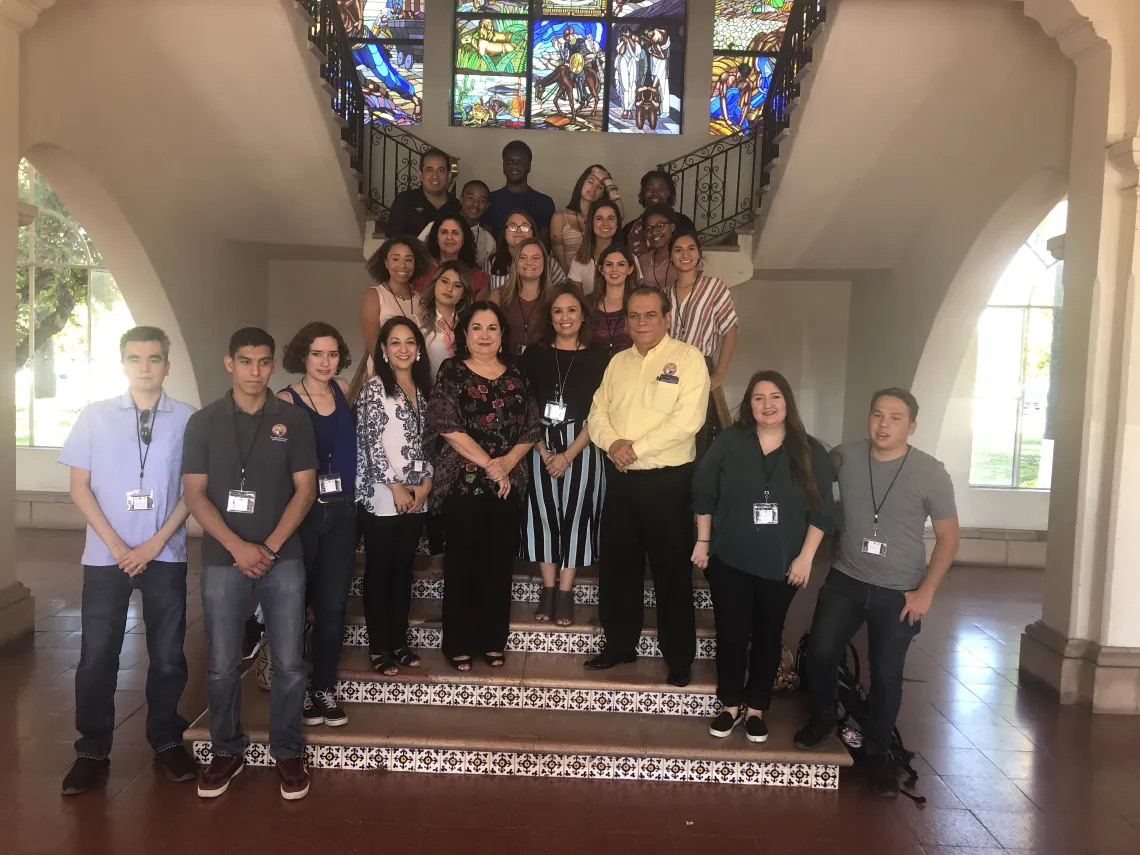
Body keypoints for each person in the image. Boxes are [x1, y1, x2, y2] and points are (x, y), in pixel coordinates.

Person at [795, 388, 959, 798]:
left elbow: (949, 539)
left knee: (887, 672)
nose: (884, 424)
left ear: (912, 426)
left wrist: (925, 593)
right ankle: (823, 720)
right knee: (820, 651)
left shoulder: (931, 472)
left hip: (900, 591)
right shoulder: (845, 457)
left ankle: (878, 750)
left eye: (895, 417)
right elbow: (807, 473)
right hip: (847, 579)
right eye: (877, 415)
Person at [58, 327, 197, 795]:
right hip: (105, 557)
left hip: (164, 554)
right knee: (97, 655)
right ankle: (92, 749)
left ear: (167, 365)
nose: (144, 367)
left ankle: (166, 738)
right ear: (122, 364)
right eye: (135, 358)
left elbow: (191, 493)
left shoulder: (186, 419)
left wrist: (155, 544)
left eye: (154, 359)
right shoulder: (95, 416)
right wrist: (119, 548)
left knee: (168, 655)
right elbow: (80, 487)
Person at [183, 327, 317, 801]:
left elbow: (306, 489)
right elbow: (194, 495)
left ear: (274, 364)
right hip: (223, 558)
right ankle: (226, 749)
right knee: (221, 663)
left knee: (289, 662)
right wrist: (239, 547)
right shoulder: (203, 422)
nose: (255, 371)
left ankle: (286, 748)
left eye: (264, 362)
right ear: (229, 363)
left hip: (284, 559)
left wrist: (271, 547)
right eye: (246, 361)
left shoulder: (294, 420)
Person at [691, 371, 835, 744]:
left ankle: (756, 708)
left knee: (769, 634)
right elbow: (704, 493)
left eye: (775, 397)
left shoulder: (810, 450)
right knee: (732, 633)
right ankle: (729, 705)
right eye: (758, 398)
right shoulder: (729, 441)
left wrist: (805, 559)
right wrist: (703, 542)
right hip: (729, 558)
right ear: (748, 404)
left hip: (782, 562)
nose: (766, 405)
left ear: (787, 401)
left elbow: (821, 512)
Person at [585, 287, 709, 686]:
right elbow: (597, 411)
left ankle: (678, 658)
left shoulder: (689, 360)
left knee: (671, 571)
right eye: (634, 316)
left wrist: (634, 448)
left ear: (667, 317)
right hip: (621, 481)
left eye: (650, 315)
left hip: (667, 482)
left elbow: (687, 421)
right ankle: (619, 645)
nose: (641, 322)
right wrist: (612, 444)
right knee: (619, 567)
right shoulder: (617, 362)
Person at [426, 301, 540, 671]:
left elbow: (531, 426)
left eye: (492, 328)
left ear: (502, 335)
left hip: (506, 484)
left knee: (497, 566)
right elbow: (446, 423)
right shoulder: (453, 371)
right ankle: (458, 642)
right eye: (477, 327)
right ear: (464, 333)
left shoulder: (516, 374)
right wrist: (490, 464)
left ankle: (493, 641)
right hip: (463, 482)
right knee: (462, 565)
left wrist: (507, 463)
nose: (485, 335)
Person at [276, 323, 356, 728]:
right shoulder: (286, 400)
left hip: (342, 514)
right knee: (294, 603)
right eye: (317, 354)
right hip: (303, 514)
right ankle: (298, 687)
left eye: (332, 354)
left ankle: (324, 687)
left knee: (332, 604)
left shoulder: (343, 390)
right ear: (302, 357)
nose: (325, 362)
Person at [520, 285, 607, 627]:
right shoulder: (533, 355)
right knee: (543, 516)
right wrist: (542, 451)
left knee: (577, 516)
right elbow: (525, 407)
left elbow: (602, 411)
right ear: (549, 316)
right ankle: (548, 588)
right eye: (558, 311)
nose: (565, 317)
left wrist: (569, 454)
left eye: (572, 310)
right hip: (539, 442)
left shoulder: (600, 357)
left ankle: (567, 592)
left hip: (583, 443)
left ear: (583, 315)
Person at [356, 317, 434, 676]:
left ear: (418, 349)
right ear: (384, 350)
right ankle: (379, 647)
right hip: (382, 496)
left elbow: (431, 442)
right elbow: (370, 443)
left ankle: (399, 643)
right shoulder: (374, 389)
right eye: (395, 343)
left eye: (409, 342)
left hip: (417, 495)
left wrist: (426, 484)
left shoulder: (426, 390)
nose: (403, 349)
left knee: (403, 571)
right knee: (380, 571)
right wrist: (395, 485)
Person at [666, 229, 739, 454]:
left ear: (699, 255)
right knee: (672, 430)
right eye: (678, 250)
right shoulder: (664, 293)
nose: (684, 254)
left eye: (691, 249)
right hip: (670, 369)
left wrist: (719, 374)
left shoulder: (714, 287)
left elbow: (730, 330)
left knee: (701, 434)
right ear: (671, 256)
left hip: (701, 365)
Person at [359, 237, 426, 378]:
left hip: (415, 376)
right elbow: (373, 343)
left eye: (408, 260)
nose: (402, 265)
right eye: (395, 259)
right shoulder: (374, 296)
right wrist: (391, 375)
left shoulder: (422, 300)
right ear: (386, 263)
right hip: (384, 376)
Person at [550, 165, 623, 272]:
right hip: (568, 281)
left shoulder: (601, 218)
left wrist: (608, 182)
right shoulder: (560, 217)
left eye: (600, 187)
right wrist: (572, 283)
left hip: (600, 277)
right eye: (590, 182)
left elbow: (620, 215)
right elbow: (559, 258)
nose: (593, 188)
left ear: (603, 194)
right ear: (581, 183)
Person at [484, 140, 556, 244]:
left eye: (520, 162)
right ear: (503, 166)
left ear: (529, 167)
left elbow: (544, 245)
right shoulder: (491, 199)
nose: (514, 166)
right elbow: (486, 242)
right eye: (510, 162)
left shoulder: (544, 202)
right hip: (496, 259)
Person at [490, 237, 550, 357]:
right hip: (505, 368)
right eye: (523, 257)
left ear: (545, 263)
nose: (529, 262)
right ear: (515, 263)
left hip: (544, 369)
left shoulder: (555, 299)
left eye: (536, 258)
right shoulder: (498, 296)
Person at [484, 210, 569, 294]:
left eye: (525, 227)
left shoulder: (550, 263)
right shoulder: (491, 262)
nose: (518, 231)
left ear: (533, 233)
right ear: (504, 233)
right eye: (512, 227)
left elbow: (564, 294)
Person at [385, 148, 462, 240]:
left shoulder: (457, 206)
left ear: (449, 176)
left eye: (440, 170)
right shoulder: (404, 201)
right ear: (420, 175)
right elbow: (394, 241)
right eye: (429, 170)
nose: (435, 176)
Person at [417, 179, 495, 269]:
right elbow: (417, 257)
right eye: (470, 198)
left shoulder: (488, 241)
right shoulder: (436, 227)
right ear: (461, 199)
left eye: (482, 200)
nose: (475, 204)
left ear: (487, 206)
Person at [419, 260, 476, 378]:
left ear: (464, 293)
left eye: (457, 285)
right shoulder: (416, 322)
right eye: (444, 281)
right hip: (428, 391)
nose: (449, 289)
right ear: (435, 283)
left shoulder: (471, 323)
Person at [568, 198, 638, 294]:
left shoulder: (630, 258)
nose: (605, 223)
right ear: (591, 223)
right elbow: (577, 300)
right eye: (599, 218)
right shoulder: (579, 259)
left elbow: (637, 296)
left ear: (617, 224)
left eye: (610, 218)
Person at [622, 170, 695, 257]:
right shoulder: (629, 228)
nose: (655, 193)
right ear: (643, 193)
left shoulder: (683, 223)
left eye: (660, 189)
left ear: (668, 193)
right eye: (649, 188)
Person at [414, 213, 490, 296]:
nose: (449, 237)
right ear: (436, 238)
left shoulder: (478, 278)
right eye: (444, 232)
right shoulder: (421, 270)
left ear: (464, 238)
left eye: (455, 233)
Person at [591, 244, 639, 360]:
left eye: (621, 264)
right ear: (601, 269)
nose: (614, 269)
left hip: (630, 370)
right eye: (609, 264)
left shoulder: (639, 303)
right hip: (593, 371)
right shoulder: (588, 303)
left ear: (630, 269)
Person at [636, 204, 679, 291]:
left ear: (672, 227)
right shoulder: (643, 260)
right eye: (648, 228)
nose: (654, 232)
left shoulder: (683, 255)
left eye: (660, 226)